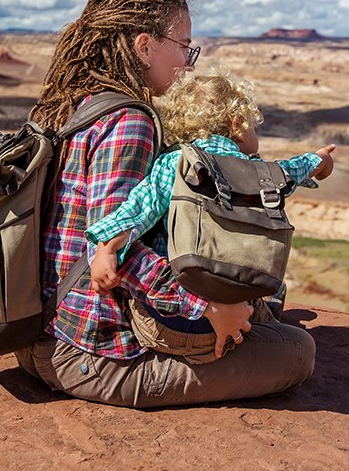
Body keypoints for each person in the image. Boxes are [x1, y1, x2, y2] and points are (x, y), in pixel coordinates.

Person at [14, 0, 317, 408]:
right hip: (93, 354)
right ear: (145, 46)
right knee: (297, 352)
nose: (189, 61)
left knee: (266, 304)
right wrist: (206, 310)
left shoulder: (80, 103)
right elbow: (114, 246)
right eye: (185, 44)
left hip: (47, 334)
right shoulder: (129, 122)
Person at [86, 70, 336, 302]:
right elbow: (291, 170)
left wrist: (107, 247)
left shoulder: (177, 162)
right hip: (238, 286)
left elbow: (141, 208)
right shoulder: (256, 171)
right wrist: (320, 160)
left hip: (185, 295)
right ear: (238, 124)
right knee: (282, 306)